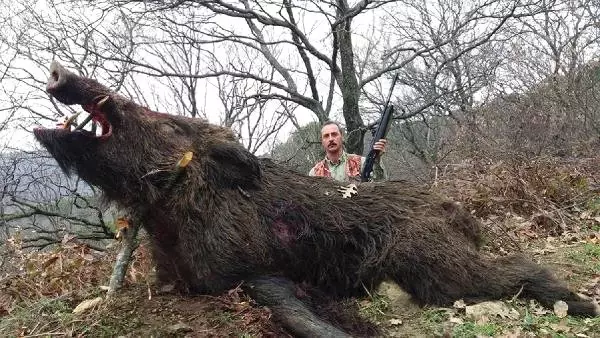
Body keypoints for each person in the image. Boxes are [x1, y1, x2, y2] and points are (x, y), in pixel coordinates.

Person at [309, 121, 387, 182]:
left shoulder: (361, 163)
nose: (331, 139)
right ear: (322, 141)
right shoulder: (315, 173)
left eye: (334, 134)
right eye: (326, 136)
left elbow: (380, 185)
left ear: (342, 137)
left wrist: (377, 159)